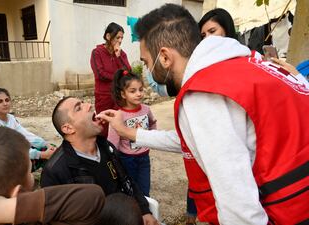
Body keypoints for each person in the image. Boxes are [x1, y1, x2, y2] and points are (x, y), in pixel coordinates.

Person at [98, 3, 309, 225]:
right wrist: (129, 132)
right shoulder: (248, 65)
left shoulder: (203, 92)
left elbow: (239, 208)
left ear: (165, 57)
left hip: (292, 212)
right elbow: (196, 140)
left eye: (146, 62)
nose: (147, 70)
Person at [41, 96, 159, 225]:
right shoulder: (54, 171)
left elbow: (128, 181)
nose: (89, 105)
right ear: (68, 128)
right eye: (79, 108)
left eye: (84, 102)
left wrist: (144, 211)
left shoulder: (107, 148)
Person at [107, 69, 157, 196]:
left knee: (145, 189)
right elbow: (112, 143)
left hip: (144, 157)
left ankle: (145, 210)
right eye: (132, 91)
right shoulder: (119, 115)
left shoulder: (146, 109)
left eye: (141, 89)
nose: (139, 94)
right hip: (127, 160)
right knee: (131, 190)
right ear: (123, 94)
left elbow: (152, 122)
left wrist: (153, 138)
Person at [0, 88, 57, 170]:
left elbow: (25, 135)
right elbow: (10, 149)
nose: (5, 104)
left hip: (15, 153)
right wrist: (41, 154)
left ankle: (48, 178)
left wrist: (45, 144)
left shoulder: (10, 118)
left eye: (7, 100)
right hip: (0, 161)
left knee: (52, 149)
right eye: (0, 101)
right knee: (34, 158)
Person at [90, 22, 132, 137]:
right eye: (117, 37)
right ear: (108, 37)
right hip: (103, 96)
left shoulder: (121, 54)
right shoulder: (97, 53)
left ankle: (118, 152)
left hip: (118, 96)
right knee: (103, 126)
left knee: (119, 127)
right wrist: (119, 75)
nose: (120, 40)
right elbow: (100, 74)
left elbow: (128, 73)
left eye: (122, 38)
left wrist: (118, 57)